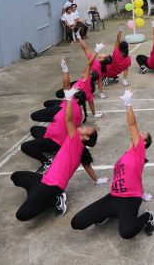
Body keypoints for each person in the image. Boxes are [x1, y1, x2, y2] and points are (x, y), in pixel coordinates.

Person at [71, 89, 154, 239]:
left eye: (143, 133)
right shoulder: (126, 155)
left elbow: (132, 124)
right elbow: (136, 177)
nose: (139, 132)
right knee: (76, 222)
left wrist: (128, 104)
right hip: (113, 197)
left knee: (126, 233)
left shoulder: (139, 151)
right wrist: (144, 192)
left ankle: (147, 216)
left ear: (144, 143)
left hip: (129, 200)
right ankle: (106, 214)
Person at [11, 87, 99, 220]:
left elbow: (68, 120)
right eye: (88, 126)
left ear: (86, 138)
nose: (86, 126)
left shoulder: (76, 142)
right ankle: (35, 195)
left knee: (22, 215)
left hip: (53, 186)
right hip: (44, 179)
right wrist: (97, 180)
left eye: (88, 129)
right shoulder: (73, 142)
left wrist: (69, 100)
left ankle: (55, 200)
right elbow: (87, 166)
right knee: (16, 176)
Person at [22, 60, 105, 184]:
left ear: (75, 98)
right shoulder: (76, 109)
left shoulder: (70, 106)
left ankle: (46, 162)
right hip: (54, 136)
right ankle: (51, 149)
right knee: (34, 129)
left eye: (74, 92)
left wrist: (65, 70)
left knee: (26, 146)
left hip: (56, 141)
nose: (72, 89)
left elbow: (66, 86)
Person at [77, 34, 112, 100]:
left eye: (104, 55)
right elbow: (100, 82)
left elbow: (85, 48)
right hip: (89, 87)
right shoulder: (102, 67)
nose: (103, 53)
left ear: (102, 59)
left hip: (82, 85)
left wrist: (78, 37)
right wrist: (101, 94)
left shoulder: (95, 62)